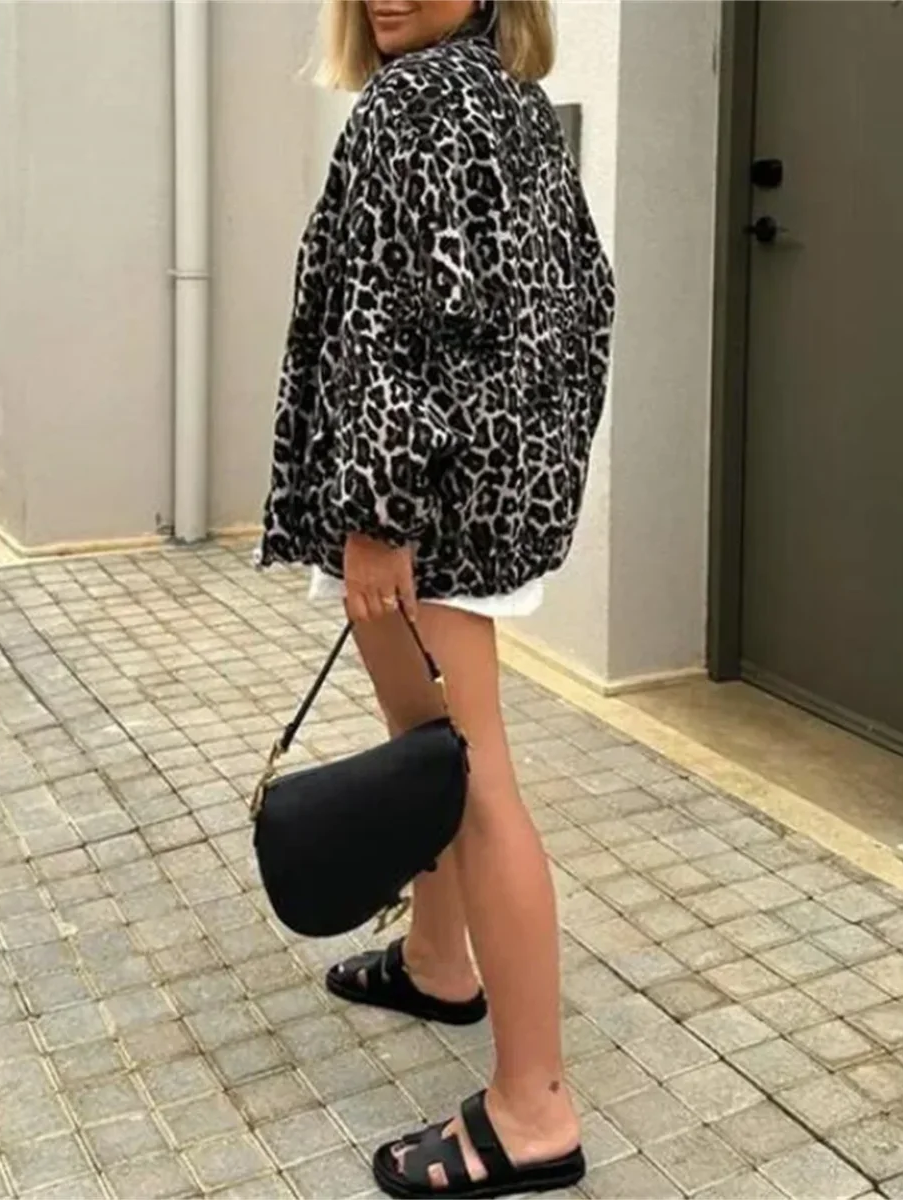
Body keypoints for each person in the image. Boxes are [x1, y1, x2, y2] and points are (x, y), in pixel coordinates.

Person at [258, 1, 615, 1195]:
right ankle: (438, 962)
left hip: (419, 511)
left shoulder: (410, 103)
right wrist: (523, 459)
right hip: (483, 493)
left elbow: (388, 327)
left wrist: (379, 512)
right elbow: (586, 303)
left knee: (473, 775)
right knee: (433, 753)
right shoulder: (510, 102)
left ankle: (532, 1110)